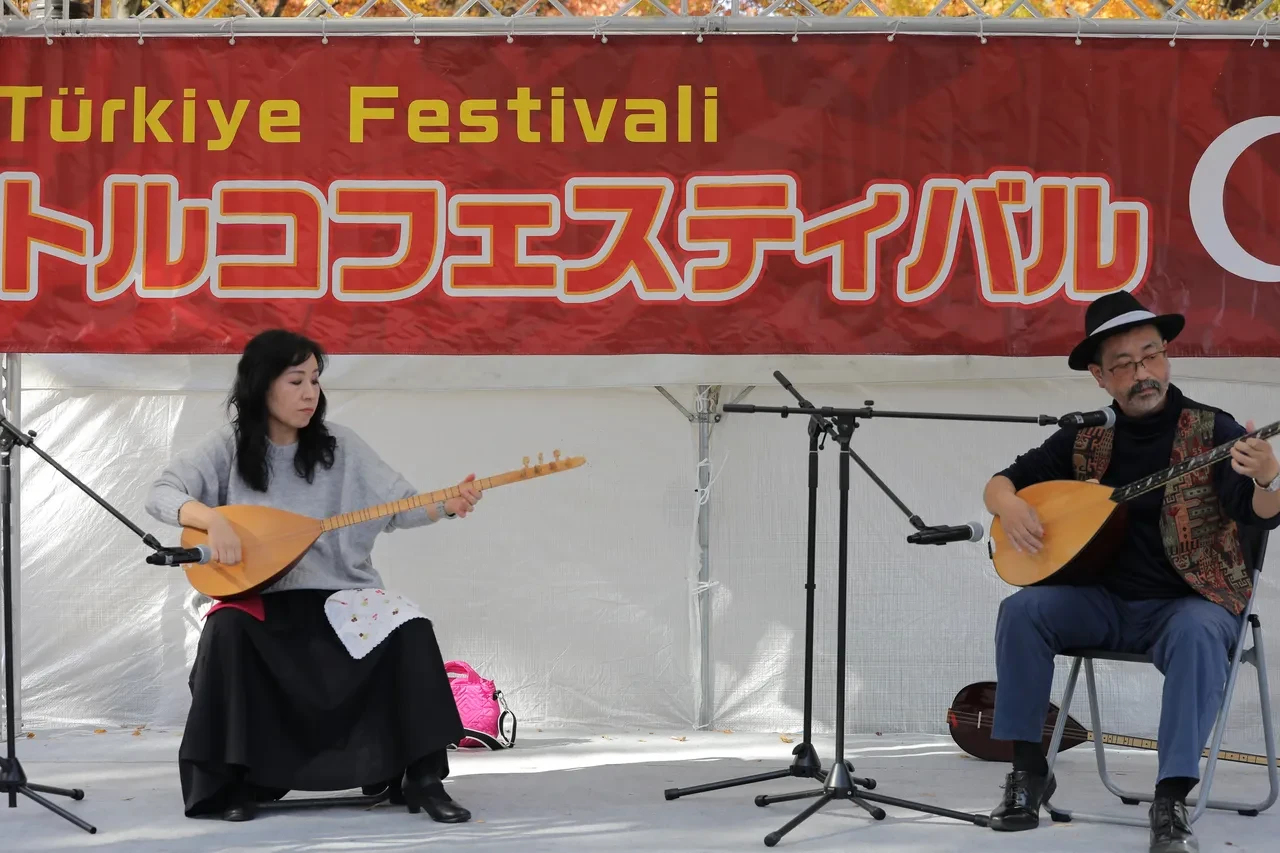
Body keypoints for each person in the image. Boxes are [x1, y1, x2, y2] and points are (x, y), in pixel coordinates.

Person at [982, 292, 1280, 853]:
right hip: (1100, 603)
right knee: (1021, 611)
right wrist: (1010, 506)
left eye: (1152, 356)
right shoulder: (1085, 436)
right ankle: (1028, 772)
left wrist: (1267, 479)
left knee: (1196, 633)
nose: (1143, 374)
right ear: (1100, 377)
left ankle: (1170, 797)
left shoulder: (1214, 431)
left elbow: (1259, 514)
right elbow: (1002, 481)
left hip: (1186, 605)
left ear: (1166, 357)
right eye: (1124, 364)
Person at [145, 329, 482, 823]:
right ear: (262, 386)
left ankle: (424, 779)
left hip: (343, 596)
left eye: (316, 381)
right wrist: (213, 519)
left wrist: (447, 505)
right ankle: (230, 785)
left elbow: (400, 507)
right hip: (264, 596)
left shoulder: (341, 446)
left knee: (410, 629)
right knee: (225, 631)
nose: (310, 394)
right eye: (296, 380)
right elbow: (160, 493)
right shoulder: (228, 447)